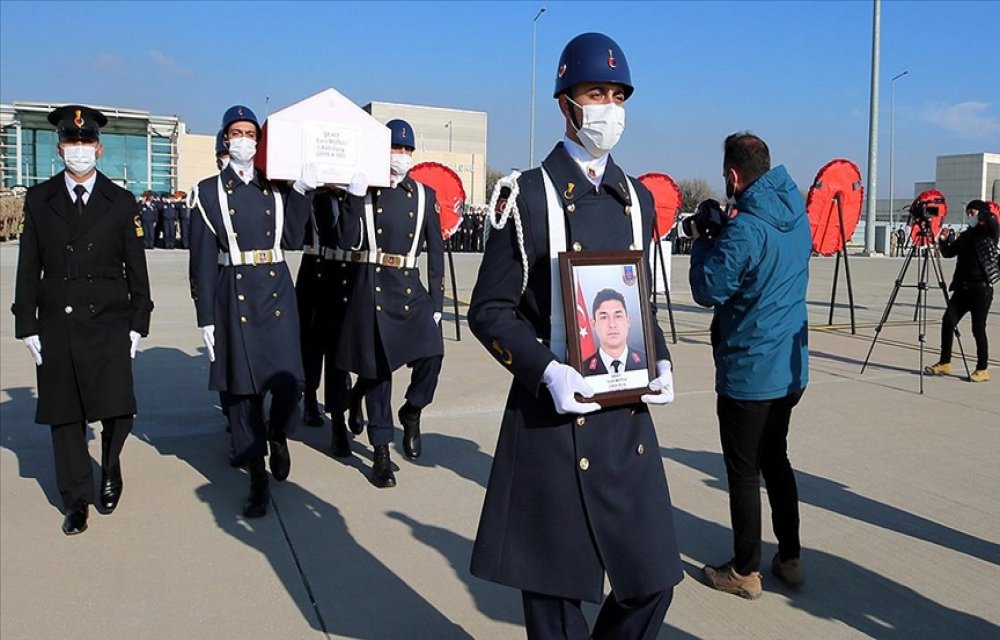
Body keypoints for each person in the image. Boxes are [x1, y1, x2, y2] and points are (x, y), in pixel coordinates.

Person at [467, 33, 681, 638]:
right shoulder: (528, 196)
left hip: (624, 421)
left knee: (653, 583)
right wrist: (546, 371)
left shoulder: (637, 197)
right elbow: (490, 310)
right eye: (596, 93)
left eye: (618, 94)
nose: (609, 107)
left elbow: (637, 302)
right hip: (552, 423)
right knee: (557, 605)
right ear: (567, 104)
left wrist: (658, 358)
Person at [11, 105, 153, 535]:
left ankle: (109, 466)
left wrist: (138, 320)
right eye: (71, 143)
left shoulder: (120, 200)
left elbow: (136, 267)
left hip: (109, 316)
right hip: (58, 318)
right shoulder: (39, 200)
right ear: (59, 149)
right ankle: (75, 499)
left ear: (99, 148)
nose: (79, 150)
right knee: (65, 414)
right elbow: (28, 264)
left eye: (85, 142)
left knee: (118, 408)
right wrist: (26, 322)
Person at [688, 132, 811, 599]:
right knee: (776, 459)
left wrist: (703, 240)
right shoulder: (795, 216)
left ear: (734, 176)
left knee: (743, 472)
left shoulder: (746, 228)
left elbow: (708, 289)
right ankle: (791, 557)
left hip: (749, 373)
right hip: (789, 370)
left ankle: (744, 569)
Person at [188, 104, 315, 517]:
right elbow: (202, 261)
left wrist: (302, 194)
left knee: (290, 382)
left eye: (250, 133)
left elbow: (294, 239)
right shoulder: (208, 192)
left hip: (277, 289)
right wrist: (205, 315)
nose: (244, 140)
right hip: (234, 293)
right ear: (226, 139)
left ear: (259, 142)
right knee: (242, 393)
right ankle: (257, 474)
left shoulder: (275, 188)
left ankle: (279, 433)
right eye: (236, 133)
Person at [334, 118, 444, 488]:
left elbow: (436, 252)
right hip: (374, 285)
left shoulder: (425, 195)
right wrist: (352, 198)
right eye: (395, 149)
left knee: (432, 355)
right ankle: (381, 450)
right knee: (378, 373)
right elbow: (348, 241)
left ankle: (412, 410)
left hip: (411, 288)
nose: (401, 156)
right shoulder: (366, 191)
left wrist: (438, 300)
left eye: (406, 150)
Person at [924, 199, 999, 382]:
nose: (969, 216)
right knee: (948, 321)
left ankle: (982, 368)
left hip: (981, 290)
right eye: (968, 213)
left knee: (978, 328)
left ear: (981, 214)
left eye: (972, 212)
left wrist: (982, 215)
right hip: (962, 288)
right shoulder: (966, 236)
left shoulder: (988, 233)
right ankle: (945, 362)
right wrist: (943, 242)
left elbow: (992, 221)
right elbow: (949, 253)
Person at [582, 288, 647, 376]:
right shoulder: (583, 370)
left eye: (618, 316)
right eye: (604, 317)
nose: (612, 324)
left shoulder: (646, 362)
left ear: (628, 321)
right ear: (593, 324)